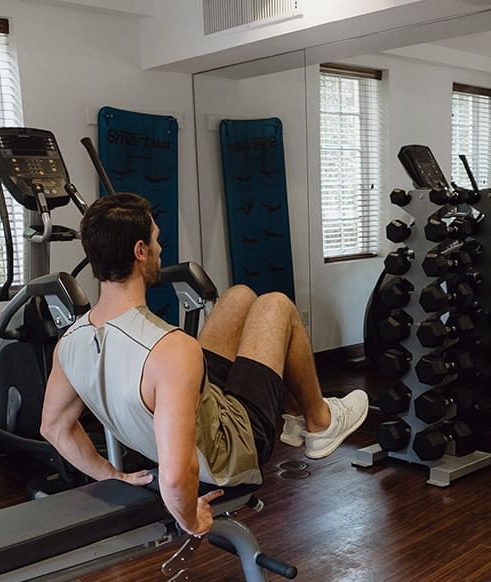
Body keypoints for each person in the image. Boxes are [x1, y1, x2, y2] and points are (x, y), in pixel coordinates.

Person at [40, 193, 370, 538]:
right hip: (231, 453)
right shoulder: (170, 348)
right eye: (156, 240)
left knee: (239, 296)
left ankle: (292, 415)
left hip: (195, 412)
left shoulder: (70, 342)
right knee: (276, 305)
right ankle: (320, 423)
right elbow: (175, 473)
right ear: (140, 252)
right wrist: (191, 521)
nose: (160, 249)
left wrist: (112, 475)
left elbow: (54, 427)